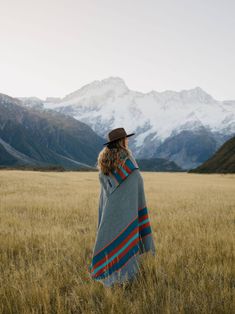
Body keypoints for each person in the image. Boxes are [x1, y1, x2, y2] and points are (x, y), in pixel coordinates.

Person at [89, 127, 156, 287]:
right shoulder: (129, 164)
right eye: (126, 139)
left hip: (108, 215)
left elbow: (106, 195)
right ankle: (125, 277)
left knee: (109, 241)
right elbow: (136, 186)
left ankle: (109, 276)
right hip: (126, 214)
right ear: (122, 141)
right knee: (127, 239)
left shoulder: (103, 165)